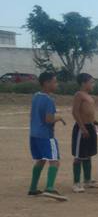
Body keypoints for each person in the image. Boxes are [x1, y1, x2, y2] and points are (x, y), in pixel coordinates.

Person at [27, 71, 67, 200]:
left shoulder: (36, 96)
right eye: (54, 82)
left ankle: (33, 188)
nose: (56, 84)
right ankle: (49, 188)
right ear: (46, 83)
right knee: (54, 161)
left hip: (34, 134)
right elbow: (49, 119)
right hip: (46, 135)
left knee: (41, 159)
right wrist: (59, 117)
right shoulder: (49, 100)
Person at [69, 73, 98, 193]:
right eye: (91, 82)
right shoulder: (79, 95)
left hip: (90, 127)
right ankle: (76, 183)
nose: (92, 84)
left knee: (88, 154)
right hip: (81, 129)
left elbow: (88, 113)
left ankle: (88, 180)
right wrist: (82, 127)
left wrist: (96, 123)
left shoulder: (88, 96)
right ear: (84, 83)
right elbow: (75, 112)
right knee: (79, 156)